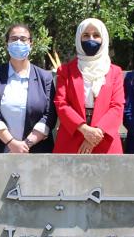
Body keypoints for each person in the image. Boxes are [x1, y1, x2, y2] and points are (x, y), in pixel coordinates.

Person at [53, 17, 125, 154]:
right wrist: (85, 129)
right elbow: (61, 103)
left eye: (96, 35)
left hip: (104, 138)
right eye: (86, 35)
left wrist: (95, 134)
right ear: (78, 39)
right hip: (72, 136)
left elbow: (117, 106)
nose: (91, 39)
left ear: (103, 39)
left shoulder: (115, 71)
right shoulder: (65, 71)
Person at [0, 23, 56, 153]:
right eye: (14, 39)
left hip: (36, 152)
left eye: (23, 39)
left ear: (31, 43)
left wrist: (26, 144)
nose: (18, 42)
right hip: (1, 151)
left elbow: (49, 115)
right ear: (7, 43)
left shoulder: (45, 78)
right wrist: (12, 143)